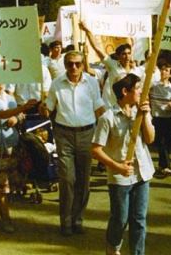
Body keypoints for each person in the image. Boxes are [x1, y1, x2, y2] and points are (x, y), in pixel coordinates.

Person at [40, 50, 106, 236]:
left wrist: (113, 127)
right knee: (67, 179)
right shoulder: (56, 83)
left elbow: (99, 107)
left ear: (83, 65)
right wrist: (43, 107)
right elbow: (49, 108)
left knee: (84, 181)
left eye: (77, 63)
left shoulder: (91, 83)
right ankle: (66, 222)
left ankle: (78, 219)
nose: (74, 67)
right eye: (70, 64)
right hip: (64, 135)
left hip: (87, 134)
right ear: (65, 65)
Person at [92, 73, 155, 255]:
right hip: (120, 177)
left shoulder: (141, 112)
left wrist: (145, 115)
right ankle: (113, 247)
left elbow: (150, 139)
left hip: (142, 173)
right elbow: (95, 150)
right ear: (125, 91)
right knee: (120, 218)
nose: (141, 92)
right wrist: (117, 166)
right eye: (137, 88)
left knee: (139, 219)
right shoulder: (108, 118)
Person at [0, 84, 38, 233]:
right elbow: (1, 114)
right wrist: (22, 108)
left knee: (11, 180)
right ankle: (6, 217)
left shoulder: (10, 97)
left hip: (13, 143)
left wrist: (18, 116)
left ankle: (3, 208)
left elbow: (18, 115)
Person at [149, 62, 171, 177]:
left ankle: (162, 165)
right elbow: (146, 93)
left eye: (166, 70)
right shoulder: (154, 85)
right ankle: (166, 166)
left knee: (168, 142)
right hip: (157, 116)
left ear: (170, 74)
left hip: (169, 117)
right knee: (160, 141)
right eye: (162, 69)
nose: (163, 72)